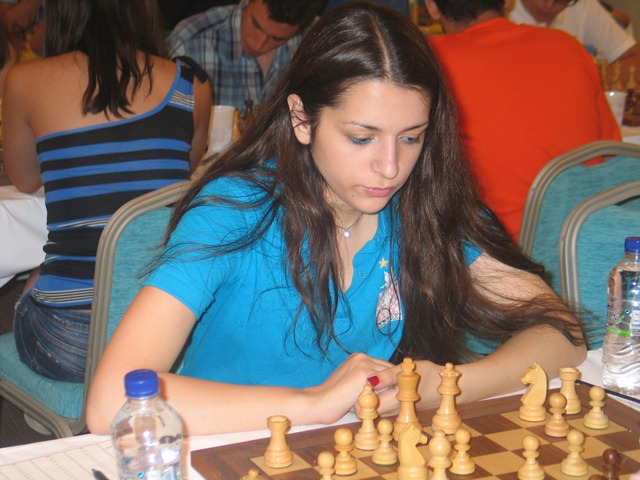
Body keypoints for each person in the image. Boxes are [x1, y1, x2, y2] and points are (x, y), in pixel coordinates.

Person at [86, 1, 585, 436]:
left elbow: (563, 334)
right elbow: (110, 401)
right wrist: (312, 404)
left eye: (411, 137)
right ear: (302, 119)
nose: (390, 167)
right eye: (361, 138)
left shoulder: (423, 205)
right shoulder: (235, 211)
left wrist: (445, 385)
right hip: (223, 447)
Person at [3, 0, 212, 383]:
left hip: (68, 343)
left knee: (36, 278)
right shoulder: (191, 85)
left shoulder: (25, 80)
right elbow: (175, 182)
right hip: (165, 334)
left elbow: (25, 180)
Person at [425, 0, 620, 242]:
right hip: (585, 239)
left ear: (432, 7)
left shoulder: (428, 59)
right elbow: (611, 156)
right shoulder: (568, 46)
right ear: (508, 2)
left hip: (496, 248)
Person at [165, 0, 325, 113]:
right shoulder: (189, 41)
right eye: (255, 25)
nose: (258, 44)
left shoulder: (319, 41)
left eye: (277, 39)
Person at [508, 0, 640, 89]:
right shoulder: (500, 9)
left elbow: (635, 59)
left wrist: (587, 82)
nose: (548, 5)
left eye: (561, 1)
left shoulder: (582, 5)